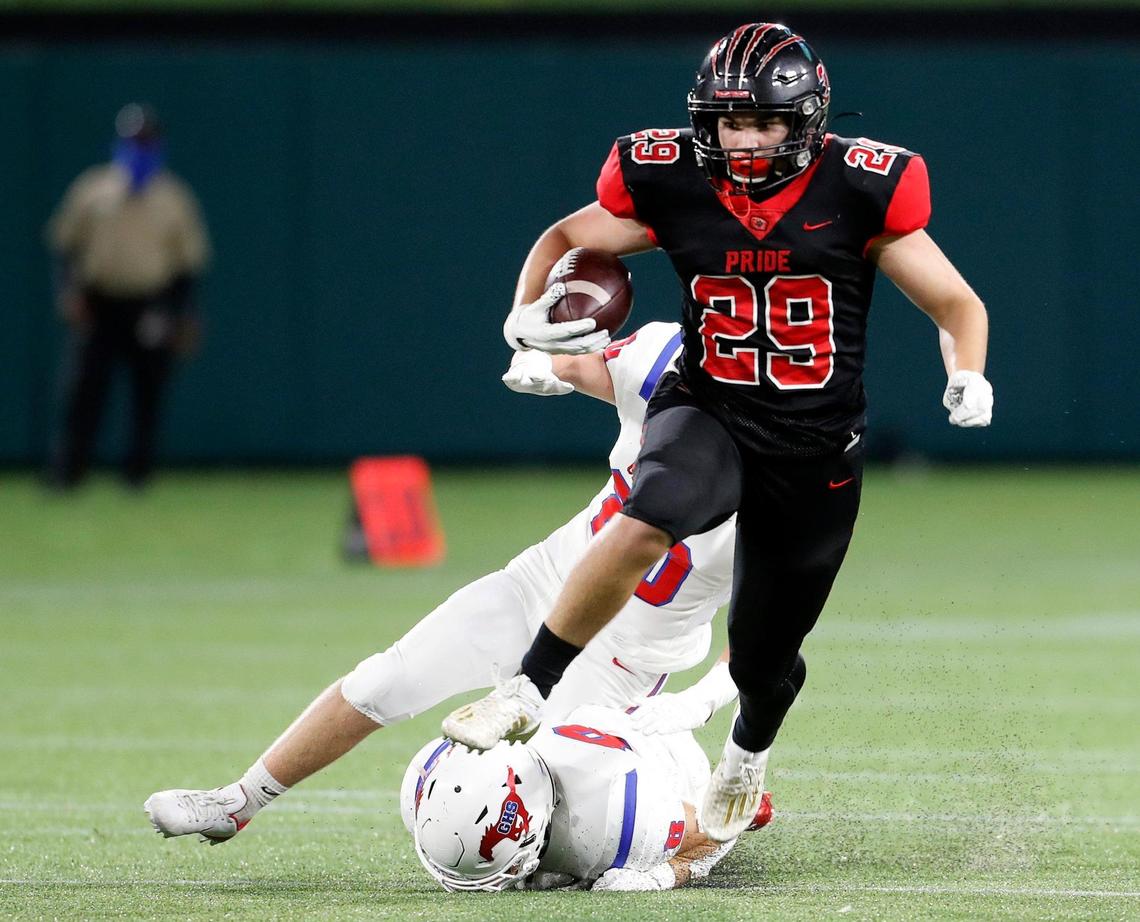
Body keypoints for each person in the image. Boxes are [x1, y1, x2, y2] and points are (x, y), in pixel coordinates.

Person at [442, 22, 994, 844]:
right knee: (646, 514)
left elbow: (957, 304)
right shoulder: (670, 178)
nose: (744, 140)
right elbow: (565, 239)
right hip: (711, 405)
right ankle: (527, 688)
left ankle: (748, 753)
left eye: (765, 123)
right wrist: (527, 326)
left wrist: (968, 369)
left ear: (806, 118)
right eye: (730, 121)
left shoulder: (863, 186)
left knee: (767, 656)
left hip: (814, 444)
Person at [144, 322, 742, 843]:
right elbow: (578, 360)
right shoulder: (671, 357)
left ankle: (713, 821)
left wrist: (706, 696)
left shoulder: (787, 478)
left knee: (574, 825)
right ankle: (238, 801)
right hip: (542, 584)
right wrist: (542, 352)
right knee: (388, 677)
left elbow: (775, 624)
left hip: (618, 661)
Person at [404, 705, 774, 893]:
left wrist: (663, 876)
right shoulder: (435, 774)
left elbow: (722, 830)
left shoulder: (621, 821)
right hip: (602, 716)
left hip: (671, 767)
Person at [45, 103, 211, 489]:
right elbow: (66, 245)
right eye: (134, 140)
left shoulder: (173, 197)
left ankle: (138, 474)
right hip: (100, 301)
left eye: (147, 139)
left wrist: (185, 313)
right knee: (84, 390)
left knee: (147, 390)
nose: (141, 147)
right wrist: (69, 291)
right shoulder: (93, 189)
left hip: (150, 304)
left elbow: (188, 264)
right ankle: (68, 471)